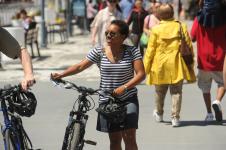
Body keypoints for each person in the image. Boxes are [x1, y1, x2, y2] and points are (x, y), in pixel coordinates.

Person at [51, 20, 145, 150]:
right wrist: (61, 75)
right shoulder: (99, 52)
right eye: (107, 33)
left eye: (113, 33)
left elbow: (141, 74)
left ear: (123, 37)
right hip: (107, 101)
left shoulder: (132, 51)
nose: (108, 36)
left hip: (128, 99)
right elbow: (80, 66)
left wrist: (124, 87)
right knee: (115, 140)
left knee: (129, 137)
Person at [143, 3, 196, 127]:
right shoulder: (180, 26)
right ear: (172, 14)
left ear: (159, 15)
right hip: (177, 63)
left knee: (159, 91)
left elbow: (150, 50)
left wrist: (146, 67)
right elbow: (188, 46)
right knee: (176, 92)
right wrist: (191, 62)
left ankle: (159, 113)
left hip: (159, 63)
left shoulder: (155, 29)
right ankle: (175, 117)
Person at [191, 0, 226, 122]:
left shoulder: (199, 18)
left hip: (203, 59)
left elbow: (193, 37)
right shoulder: (224, 18)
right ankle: (217, 101)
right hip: (220, 59)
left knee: (205, 87)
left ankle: (209, 113)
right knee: (223, 83)